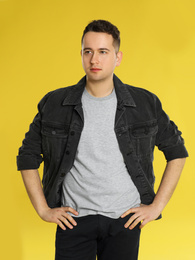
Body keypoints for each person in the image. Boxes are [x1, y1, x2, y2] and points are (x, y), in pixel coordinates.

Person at [17, 20, 188, 260]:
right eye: (88, 51)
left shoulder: (145, 103)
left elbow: (177, 151)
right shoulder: (55, 103)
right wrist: (43, 210)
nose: (94, 60)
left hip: (124, 221)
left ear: (117, 58)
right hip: (73, 221)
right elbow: (27, 156)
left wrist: (156, 207)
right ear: (81, 55)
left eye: (103, 52)